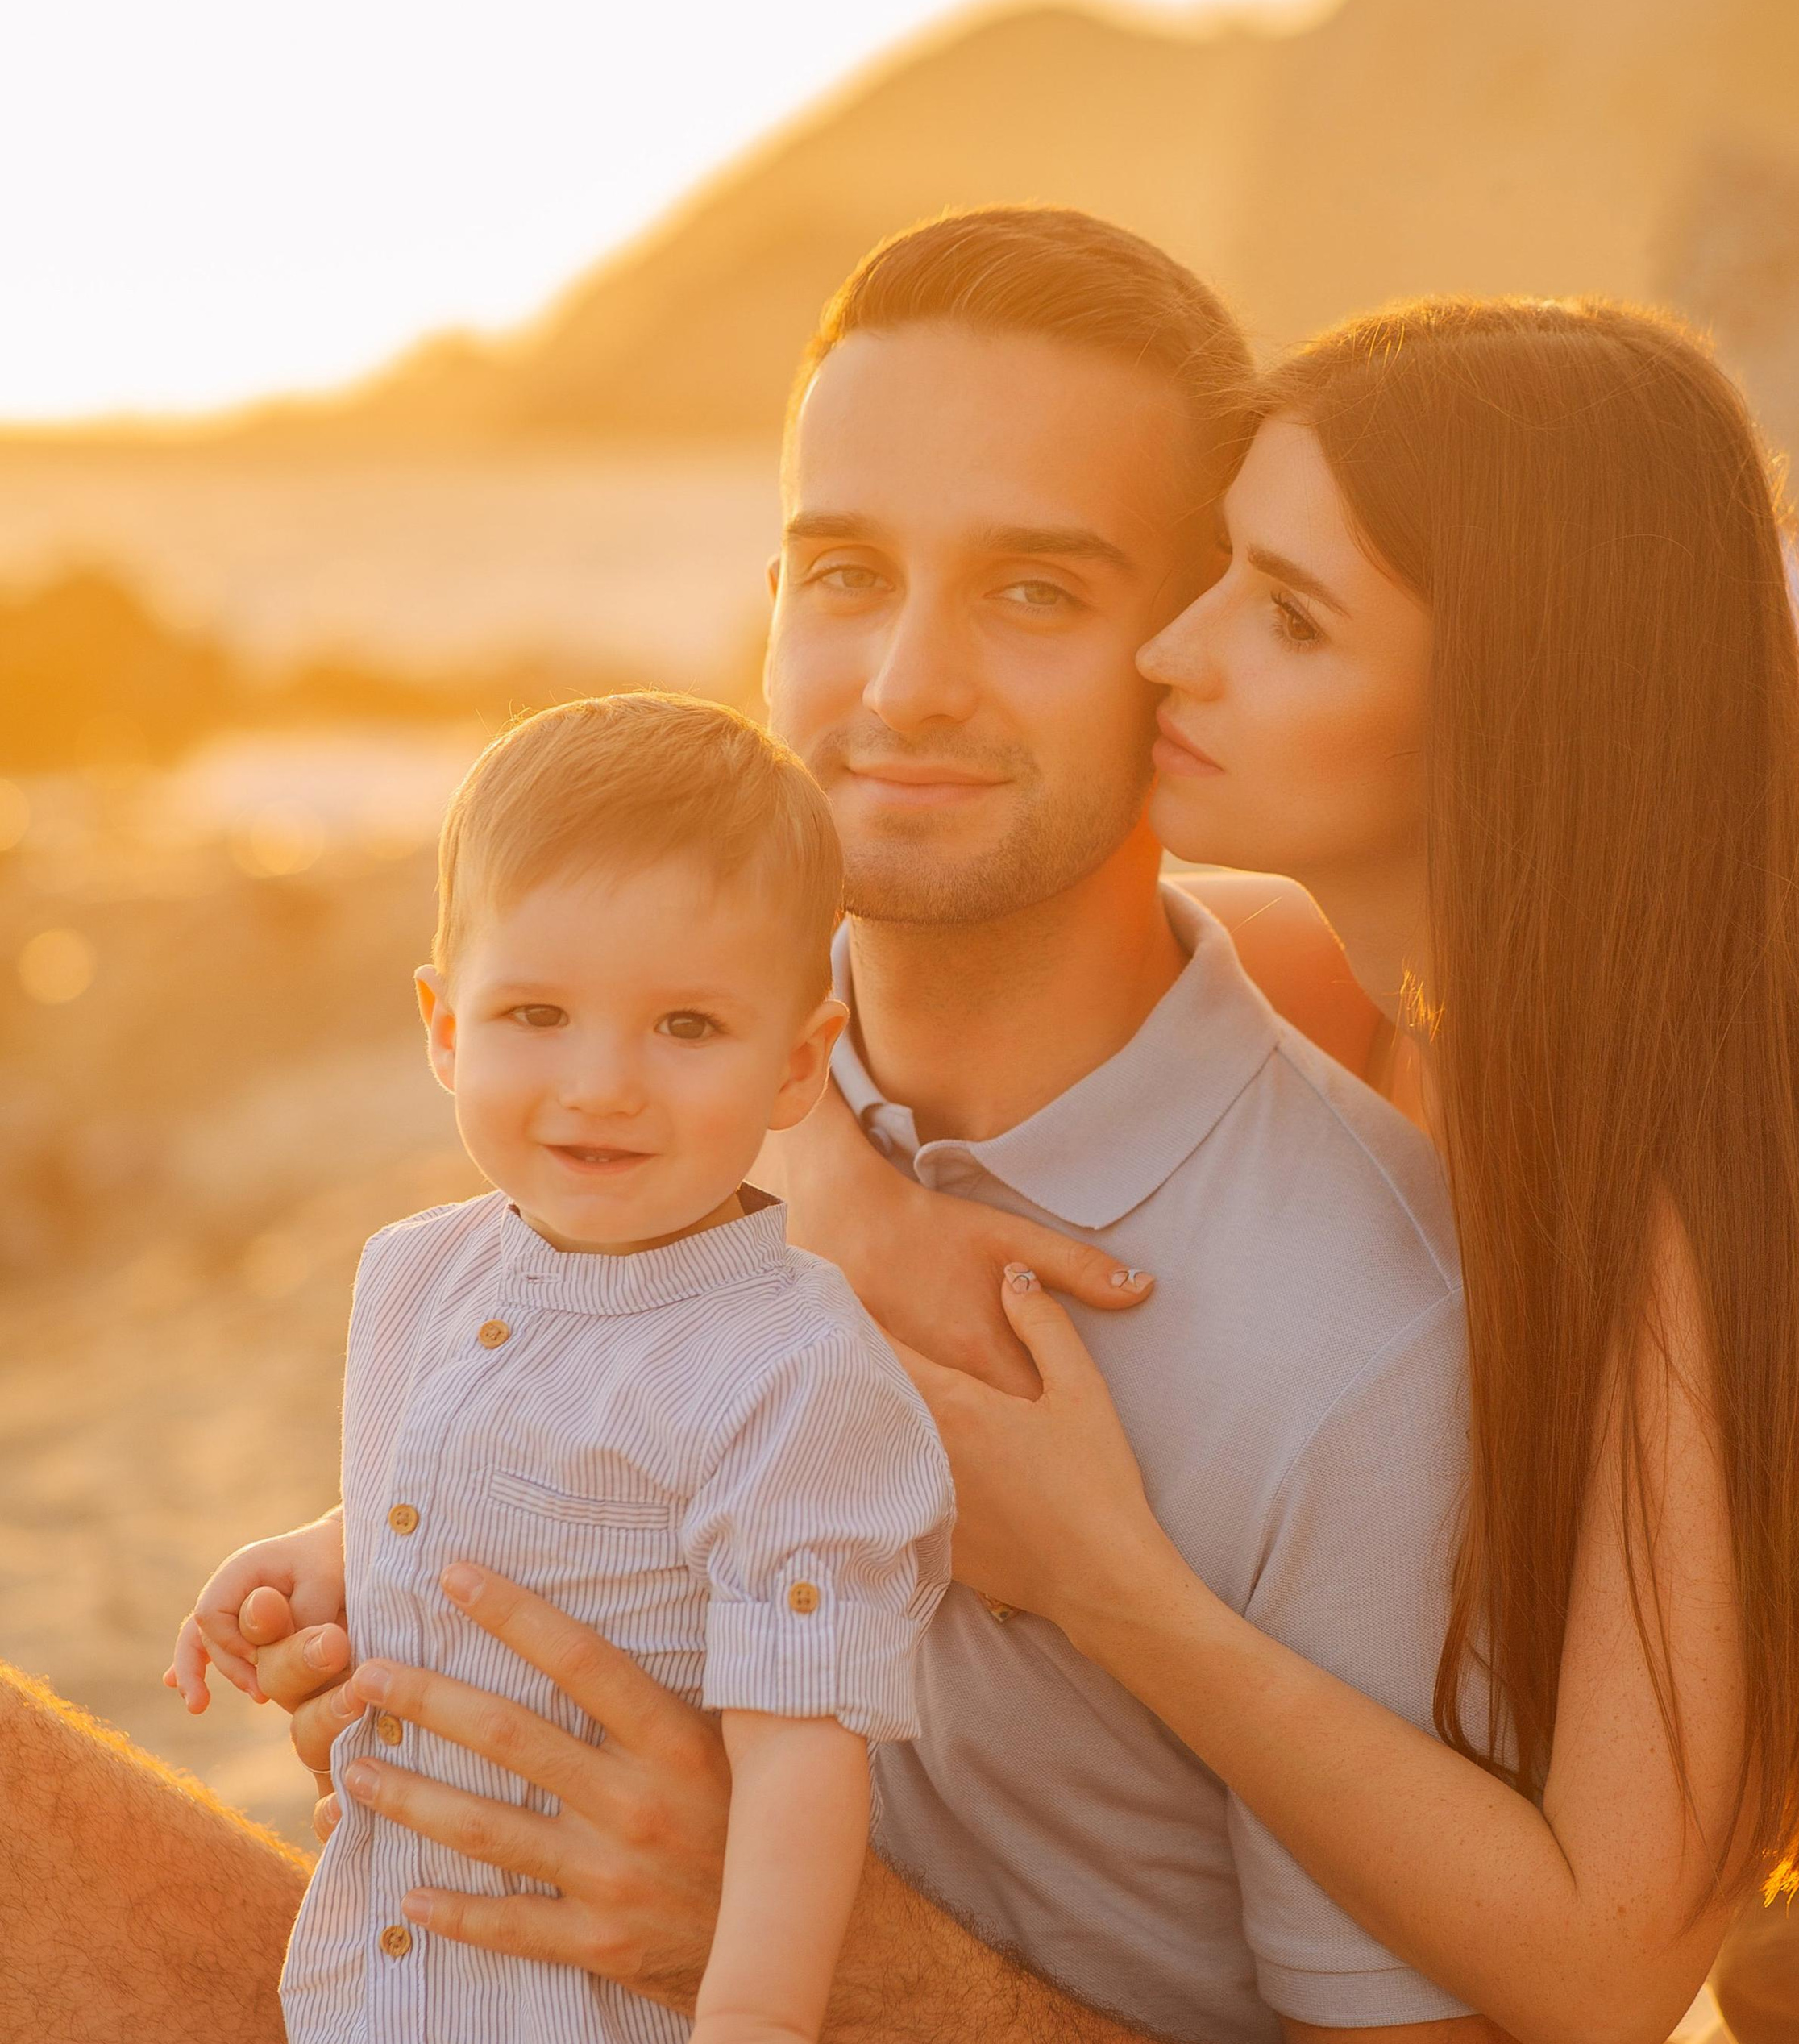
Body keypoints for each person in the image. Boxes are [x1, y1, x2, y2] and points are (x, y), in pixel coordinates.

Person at [0, 210, 1498, 2044]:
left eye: (1034, 589)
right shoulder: (654, 1128)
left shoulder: (1356, 1316)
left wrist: (801, 1943)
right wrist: (388, 1630)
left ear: (1186, 648)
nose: (901, 687)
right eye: (844, 572)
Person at [809, 298, 1799, 2044]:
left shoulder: (1746, 1208)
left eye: (1289, 617)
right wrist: (853, 1200)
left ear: (1510, 699)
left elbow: (1599, 1965)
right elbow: (823, 944)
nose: (1174, 651)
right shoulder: (1384, 1000)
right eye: (1217, 570)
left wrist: (1106, 1580)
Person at [164, 692, 956, 2044]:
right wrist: (335, 1546)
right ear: (444, 1026)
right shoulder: (414, 1274)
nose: (603, 1083)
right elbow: (500, 1489)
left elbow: (802, 1754)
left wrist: (753, 2019)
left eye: (688, 1027)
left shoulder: (791, 1374)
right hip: (380, 1992)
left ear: (798, 1061)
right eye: (537, 1012)